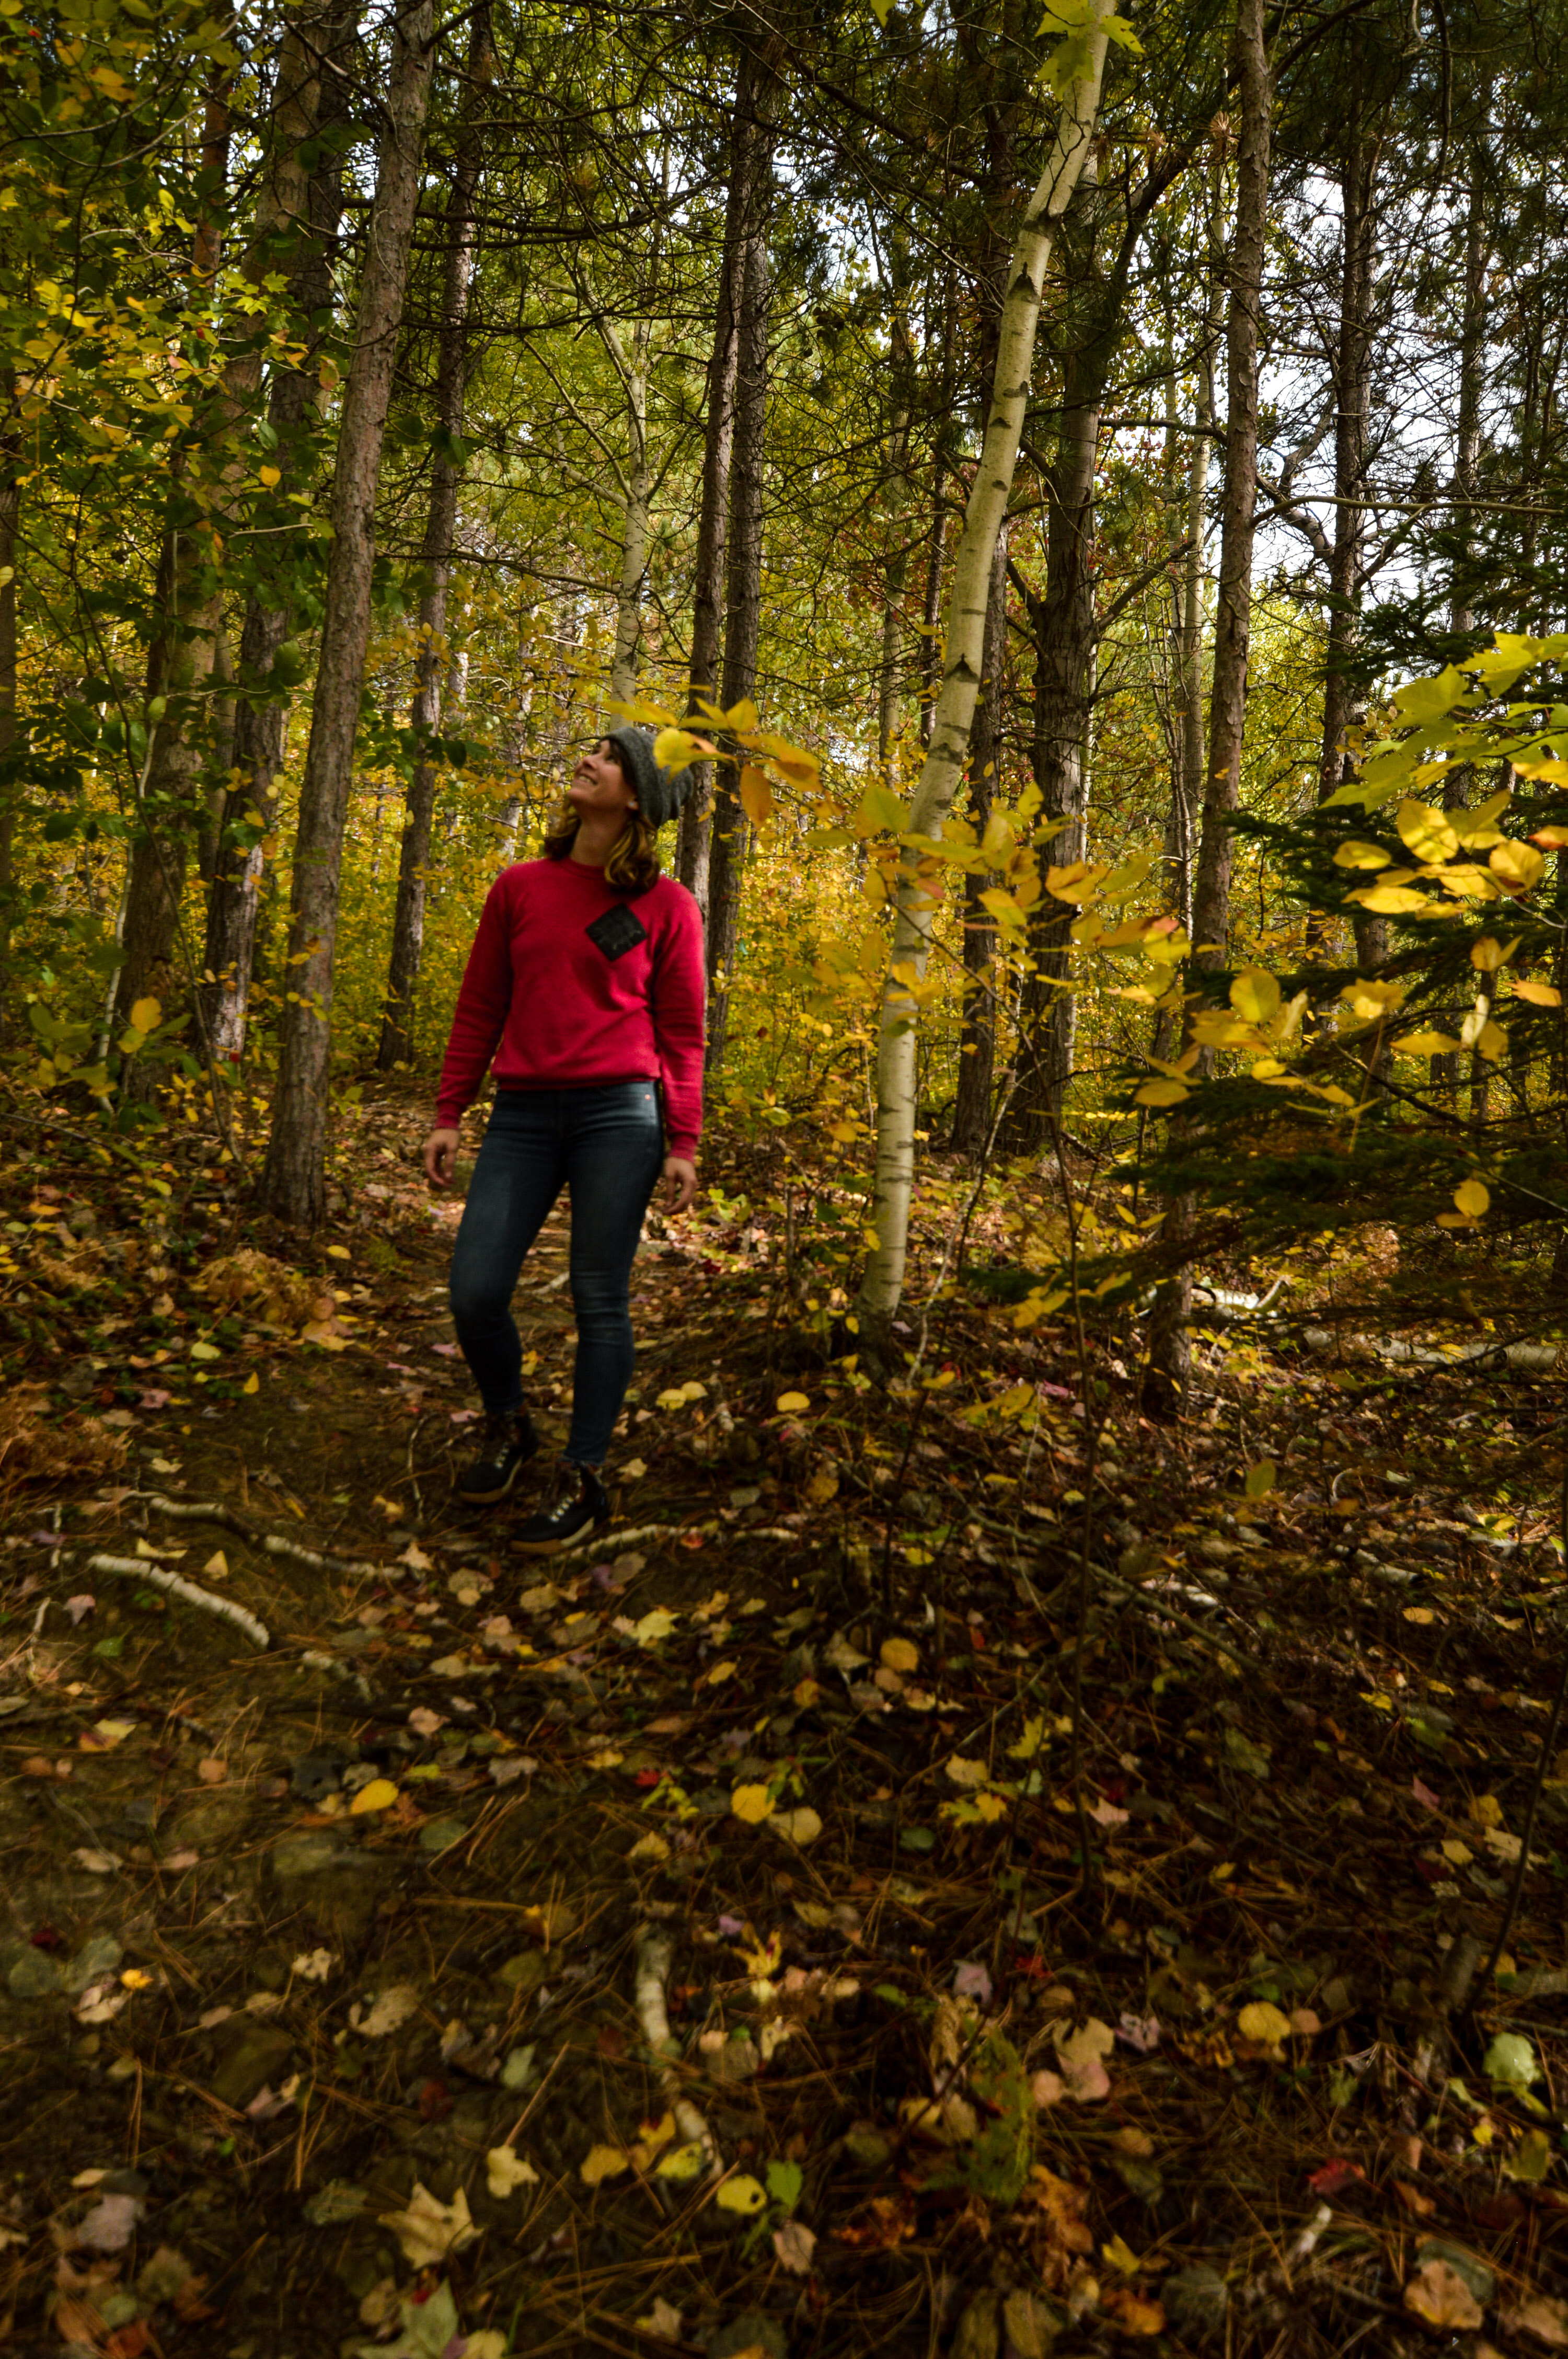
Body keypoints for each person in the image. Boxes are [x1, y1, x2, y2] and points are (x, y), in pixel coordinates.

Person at [423, 725, 704, 1553]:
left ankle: (584, 1475)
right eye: (592, 750)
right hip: (521, 1114)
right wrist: (449, 1113)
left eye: (610, 758)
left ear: (638, 800)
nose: (588, 761)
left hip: (620, 1116)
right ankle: (510, 1424)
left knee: (599, 1298)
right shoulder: (520, 887)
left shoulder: (668, 906)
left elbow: (684, 1032)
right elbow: (480, 1006)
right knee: (475, 1292)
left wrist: (683, 1139)